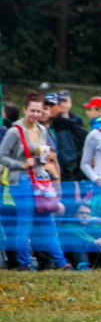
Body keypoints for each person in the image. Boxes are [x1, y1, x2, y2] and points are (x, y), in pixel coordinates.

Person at [0, 92, 71, 270]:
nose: (35, 115)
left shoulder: (42, 130)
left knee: (48, 222)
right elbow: (2, 156)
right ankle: (24, 263)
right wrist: (21, 164)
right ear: (25, 109)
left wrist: (44, 161)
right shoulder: (14, 132)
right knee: (25, 223)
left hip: (41, 180)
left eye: (38, 111)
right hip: (21, 181)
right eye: (32, 110)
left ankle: (61, 262)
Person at [46, 92, 87, 185]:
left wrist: (71, 171)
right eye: (45, 106)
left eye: (52, 105)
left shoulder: (68, 124)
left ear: (58, 107)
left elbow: (72, 150)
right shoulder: (37, 126)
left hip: (66, 173)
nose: (48, 109)